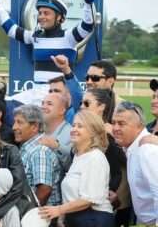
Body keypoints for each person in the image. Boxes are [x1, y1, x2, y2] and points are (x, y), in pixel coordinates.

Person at [0, 0, 94, 83]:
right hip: (38, 95)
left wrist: (87, 4)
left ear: (59, 17)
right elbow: (12, 30)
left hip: (59, 97)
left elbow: (87, 26)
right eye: (40, 13)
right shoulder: (35, 37)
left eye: (46, 13)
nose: (41, 17)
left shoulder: (69, 36)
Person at [39, 110, 114, 227]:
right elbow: (72, 196)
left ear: (93, 132)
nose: (74, 129)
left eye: (80, 126)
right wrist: (62, 217)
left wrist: (59, 210)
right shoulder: (78, 156)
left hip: (93, 219)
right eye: (73, 125)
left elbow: (89, 199)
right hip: (77, 219)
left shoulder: (95, 158)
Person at [79, 88, 129, 226]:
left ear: (102, 107)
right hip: (79, 201)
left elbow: (118, 170)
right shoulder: (80, 130)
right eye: (81, 103)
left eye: (87, 103)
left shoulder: (110, 133)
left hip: (101, 206)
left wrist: (112, 191)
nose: (82, 107)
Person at [112, 101, 158, 226]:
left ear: (139, 126)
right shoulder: (131, 147)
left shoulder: (146, 150)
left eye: (121, 124)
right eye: (113, 123)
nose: (115, 128)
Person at [13, 105, 62, 208]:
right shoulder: (28, 149)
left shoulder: (40, 151)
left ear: (34, 127)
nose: (14, 127)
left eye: (19, 122)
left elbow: (44, 190)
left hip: (40, 218)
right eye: (14, 122)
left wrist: (29, 213)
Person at [39, 93, 72, 171]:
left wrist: (57, 146)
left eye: (49, 104)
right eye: (42, 103)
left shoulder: (72, 134)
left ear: (62, 110)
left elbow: (72, 165)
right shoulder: (38, 133)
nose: (43, 107)